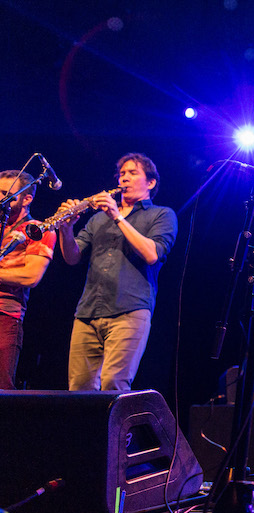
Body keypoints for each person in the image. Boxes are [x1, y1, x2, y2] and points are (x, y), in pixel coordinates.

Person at [58, 154, 178, 391]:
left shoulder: (162, 215)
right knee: (78, 389)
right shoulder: (97, 219)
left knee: (114, 384)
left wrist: (117, 216)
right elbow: (72, 258)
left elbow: (152, 254)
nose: (124, 178)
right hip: (88, 311)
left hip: (130, 310)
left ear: (151, 183)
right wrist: (66, 228)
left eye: (133, 173)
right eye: (122, 173)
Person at [0, 171, 57, 389]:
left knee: (2, 389)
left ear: (27, 198)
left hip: (5, 315)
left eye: (6, 194)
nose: (0, 199)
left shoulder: (37, 230)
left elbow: (31, 276)